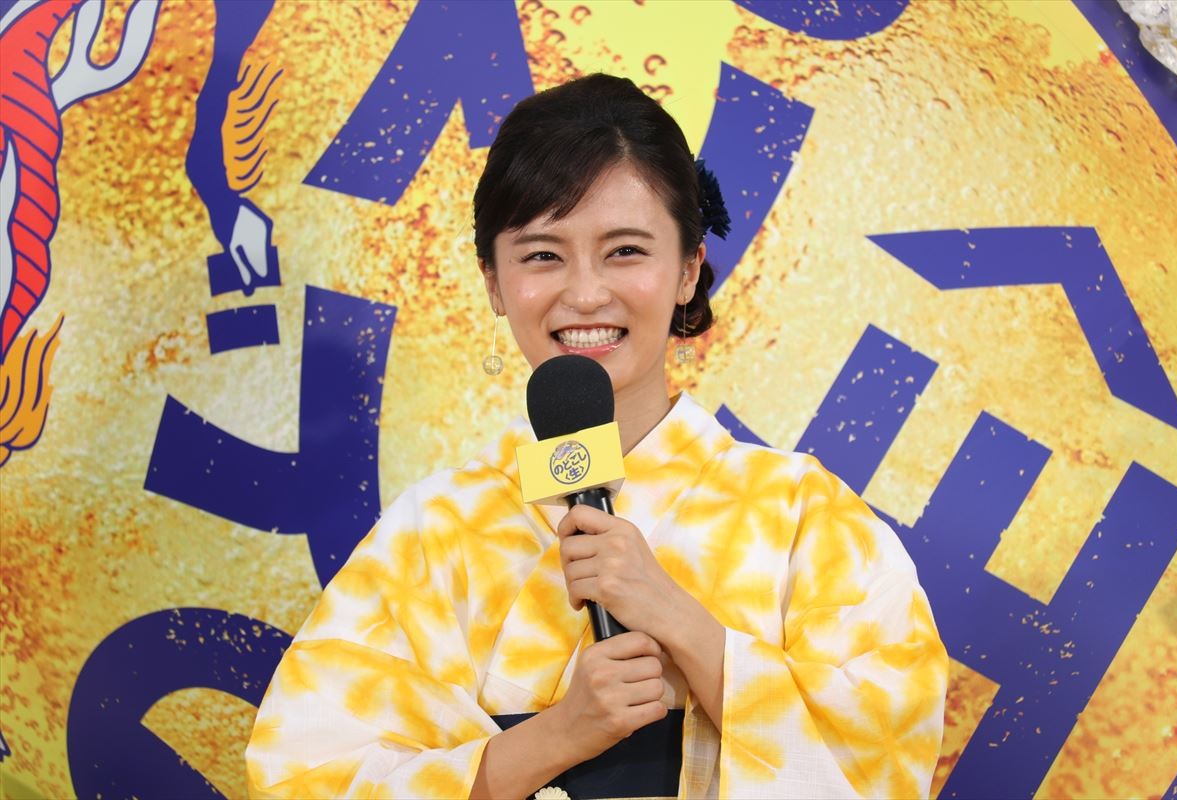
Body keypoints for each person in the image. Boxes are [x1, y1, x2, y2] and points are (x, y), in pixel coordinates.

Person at [246, 74, 948, 800]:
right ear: (493, 282)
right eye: (542, 255)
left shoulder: (804, 514)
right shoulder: (435, 532)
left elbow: (887, 753)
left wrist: (683, 625)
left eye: (625, 251)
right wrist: (560, 734)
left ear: (688, 269)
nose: (584, 294)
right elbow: (302, 777)